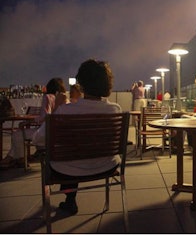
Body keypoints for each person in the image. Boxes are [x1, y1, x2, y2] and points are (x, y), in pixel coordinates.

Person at [32, 59, 122, 215]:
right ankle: (70, 200)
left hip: (69, 171)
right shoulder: (115, 109)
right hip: (108, 166)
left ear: (81, 83)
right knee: (78, 151)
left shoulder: (65, 111)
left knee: (70, 157)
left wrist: (56, 110)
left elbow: (38, 140)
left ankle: (70, 200)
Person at [0, 78, 68, 169]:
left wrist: (29, 121)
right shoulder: (64, 98)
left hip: (46, 134)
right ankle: (11, 158)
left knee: (17, 134)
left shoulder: (48, 97)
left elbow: (45, 117)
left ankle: (20, 159)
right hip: (58, 134)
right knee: (20, 134)